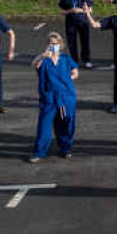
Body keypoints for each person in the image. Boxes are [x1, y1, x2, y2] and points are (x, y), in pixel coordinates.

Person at [28, 32, 78, 163]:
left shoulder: (66, 59)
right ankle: (39, 152)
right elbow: (33, 65)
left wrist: (68, 79)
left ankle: (65, 148)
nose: (53, 46)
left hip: (65, 98)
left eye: (56, 43)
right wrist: (43, 55)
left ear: (60, 45)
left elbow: (75, 72)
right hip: (49, 98)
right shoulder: (44, 60)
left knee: (65, 124)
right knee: (44, 126)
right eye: (51, 43)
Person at [58, 0, 94, 68]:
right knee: (72, 43)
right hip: (71, 23)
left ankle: (86, 60)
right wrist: (71, 10)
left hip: (83, 22)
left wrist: (81, 10)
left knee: (85, 41)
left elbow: (90, 10)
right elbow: (62, 11)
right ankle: (74, 61)